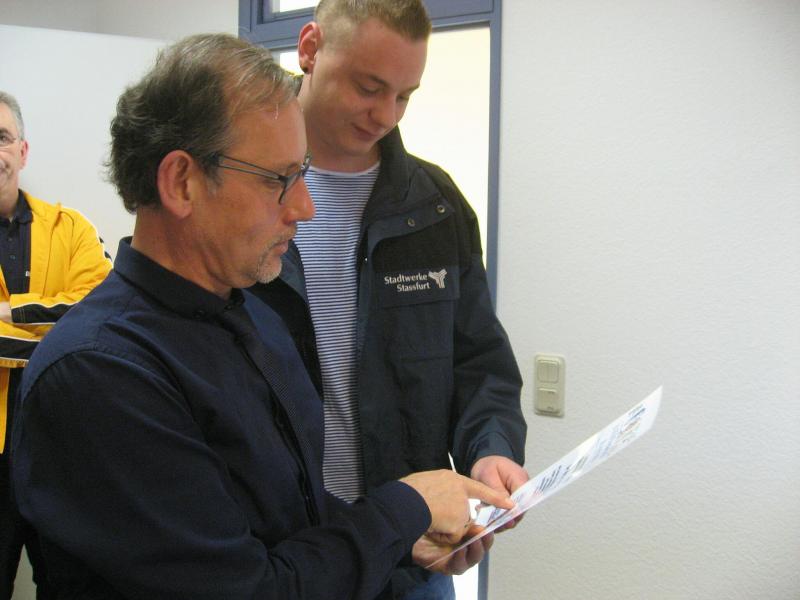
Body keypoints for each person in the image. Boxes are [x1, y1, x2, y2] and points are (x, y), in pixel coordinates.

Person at [11, 34, 513, 600]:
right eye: (279, 180)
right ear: (182, 182)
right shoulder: (100, 373)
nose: (305, 207)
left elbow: (288, 515)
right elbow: (247, 588)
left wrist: (400, 540)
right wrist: (404, 508)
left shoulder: (251, 316)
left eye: (302, 174)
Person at [248, 1, 529, 597]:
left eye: (405, 96)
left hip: (411, 554)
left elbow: (479, 363)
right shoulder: (245, 190)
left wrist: (489, 451)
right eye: (369, 87)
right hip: (284, 552)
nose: (386, 115)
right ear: (310, 48)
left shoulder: (434, 205)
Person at [0, 91, 111, 599]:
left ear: (23, 151)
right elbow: (74, 330)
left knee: (73, 589)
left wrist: (11, 313)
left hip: (65, 450)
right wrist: (55, 332)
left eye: (2, 137)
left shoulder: (73, 228)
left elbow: (99, 313)